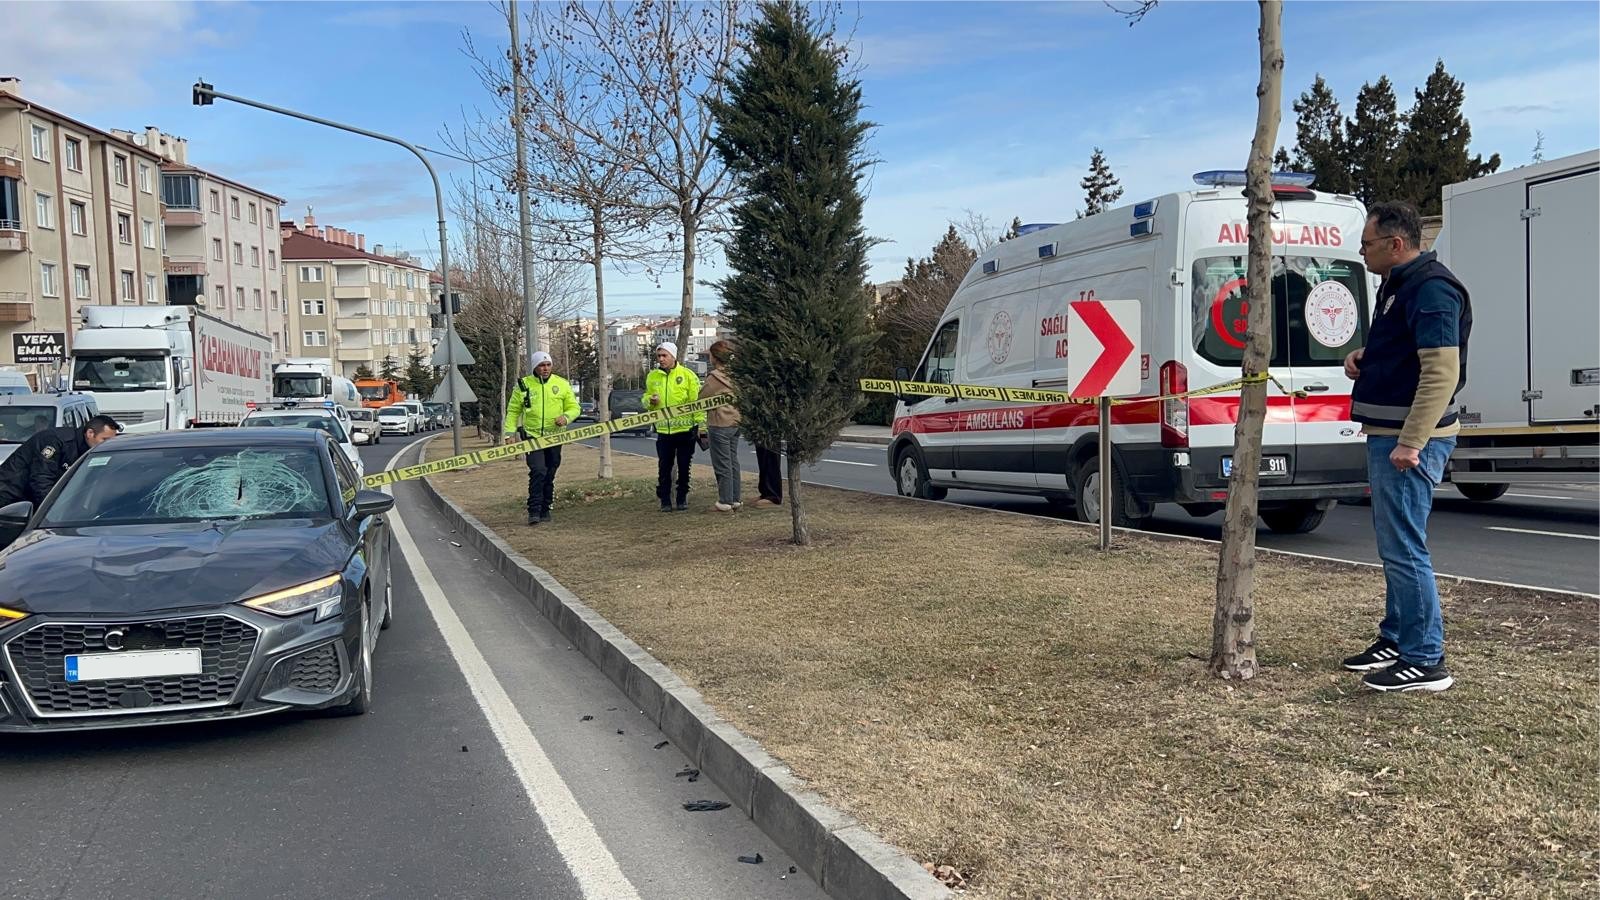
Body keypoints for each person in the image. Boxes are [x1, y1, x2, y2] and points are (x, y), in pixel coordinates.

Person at [1342, 200, 1472, 693]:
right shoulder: (1399, 286)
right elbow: (1407, 355)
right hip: (1391, 433)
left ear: (1396, 244)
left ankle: (1426, 659)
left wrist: (1412, 443)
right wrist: (1365, 357)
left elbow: (1442, 371)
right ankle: (1397, 638)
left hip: (1408, 441)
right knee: (1395, 546)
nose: (1362, 251)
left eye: (1368, 243)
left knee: (1404, 549)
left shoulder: (1431, 289)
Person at [503, 351, 581, 526]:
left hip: (555, 437)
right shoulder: (523, 385)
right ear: (534, 367)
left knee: (550, 472)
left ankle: (546, 508)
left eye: (548, 365)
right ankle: (534, 510)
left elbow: (574, 407)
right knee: (538, 471)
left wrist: (566, 417)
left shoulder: (561, 384)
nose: (545, 368)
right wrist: (509, 433)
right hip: (533, 436)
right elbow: (513, 411)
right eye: (541, 365)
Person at [0, 414, 121, 508]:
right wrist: (51, 512)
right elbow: (41, 480)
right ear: (90, 433)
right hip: (10, 496)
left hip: (30, 498)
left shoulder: (89, 450)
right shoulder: (56, 440)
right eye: (104, 439)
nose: (107, 444)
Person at [643, 342, 704, 512]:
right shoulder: (652, 376)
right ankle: (665, 500)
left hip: (686, 431)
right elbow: (645, 399)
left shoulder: (688, 375)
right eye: (659, 356)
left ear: (673, 356)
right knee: (664, 467)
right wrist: (650, 401)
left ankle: (682, 497)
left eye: (664, 356)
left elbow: (696, 403)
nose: (661, 359)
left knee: (684, 466)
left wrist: (701, 426)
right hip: (664, 431)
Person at [698, 340, 743, 512]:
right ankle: (735, 499)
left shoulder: (715, 378)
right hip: (735, 422)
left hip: (719, 424)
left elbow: (701, 400)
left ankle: (725, 502)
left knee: (722, 464)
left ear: (715, 357)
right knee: (733, 462)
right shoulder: (737, 374)